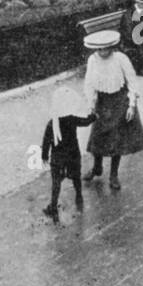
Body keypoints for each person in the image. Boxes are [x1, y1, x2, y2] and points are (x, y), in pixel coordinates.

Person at [82, 30, 143, 190]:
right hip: (102, 102)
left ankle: (113, 175)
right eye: (99, 49)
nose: (102, 52)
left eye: (106, 48)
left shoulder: (120, 58)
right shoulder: (92, 60)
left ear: (112, 47)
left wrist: (132, 104)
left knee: (116, 140)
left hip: (119, 101)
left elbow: (132, 80)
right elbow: (89, 82)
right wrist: (91, 103)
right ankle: (97, 168)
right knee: (98, 136)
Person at [40, 86, 96, 219]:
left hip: (58, 157)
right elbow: (86, 122)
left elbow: (46, 140)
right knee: (76, 176)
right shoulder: (72, 119)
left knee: (56, 183)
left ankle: (53, 206)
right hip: (73, 154)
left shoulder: (51, 123)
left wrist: (44, 156)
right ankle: (78, 195)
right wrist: (94, 115)